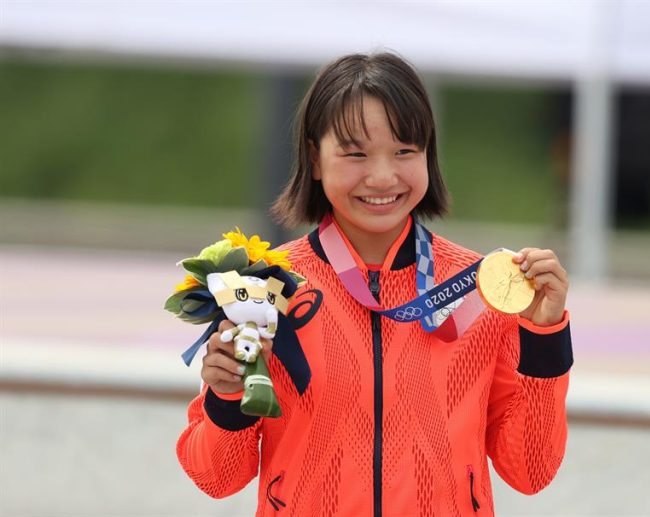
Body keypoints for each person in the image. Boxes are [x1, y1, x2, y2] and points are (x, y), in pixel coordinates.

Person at [177, 52, 573, 517]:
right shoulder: (267, 288)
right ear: (315, 158)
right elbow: (217, 478)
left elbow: (531, 470)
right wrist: (226, 398)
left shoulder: (480, 290)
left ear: (429, 152)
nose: (383, 176)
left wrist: (545, 338)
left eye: (405, 151)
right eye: (355, 153)